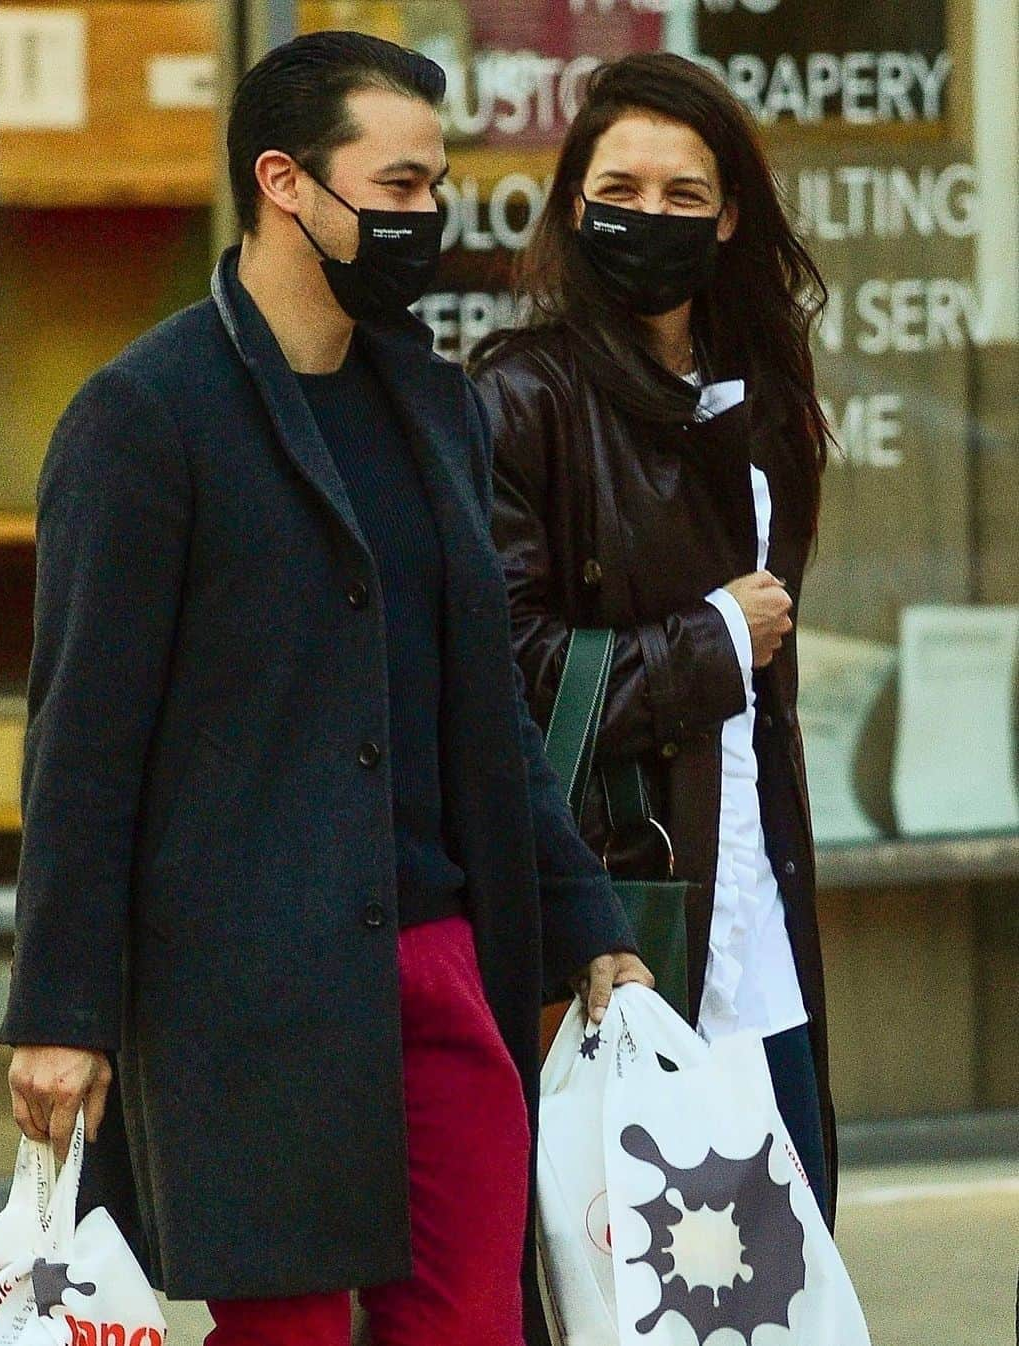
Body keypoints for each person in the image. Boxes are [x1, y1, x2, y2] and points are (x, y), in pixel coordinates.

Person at [0, 31, 651, 1346]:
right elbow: (83, 738)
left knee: (473, 1319)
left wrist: (586, 915)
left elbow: (488, 707)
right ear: (287, 182)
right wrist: (61, 1008)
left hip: (441, 959)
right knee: (285, 1329)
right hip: (249, 985)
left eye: (435, 182)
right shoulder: (146, 415)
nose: (429, 215)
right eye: (401, 186)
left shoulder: (436, 404)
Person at [470, 51, 837, 1223]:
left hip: (758, 913)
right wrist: (715, 636)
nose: (651, 216)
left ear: (731, 216)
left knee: (782, 1268)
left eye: (686, 195)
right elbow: (508, 673)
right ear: (575, 203)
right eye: (619, 189)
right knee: (637, 1279)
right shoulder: (520, 396)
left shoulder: (763, 398)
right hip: (622, 920)